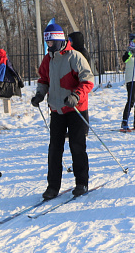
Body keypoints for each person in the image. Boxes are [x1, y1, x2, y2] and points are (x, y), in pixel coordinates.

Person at [30, 21, 95, 198]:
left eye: (50, 42)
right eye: (47, 43)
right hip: (57, 110)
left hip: (76, 110)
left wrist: (76, 96)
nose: (48, 46)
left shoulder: (74, 57)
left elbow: (88, 81)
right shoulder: (48, 59)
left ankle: (81, 183)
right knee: (54, 149)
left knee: (77, 146)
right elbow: (44, 80)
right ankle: (53, 186)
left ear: (58, 40)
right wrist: (39, 95)